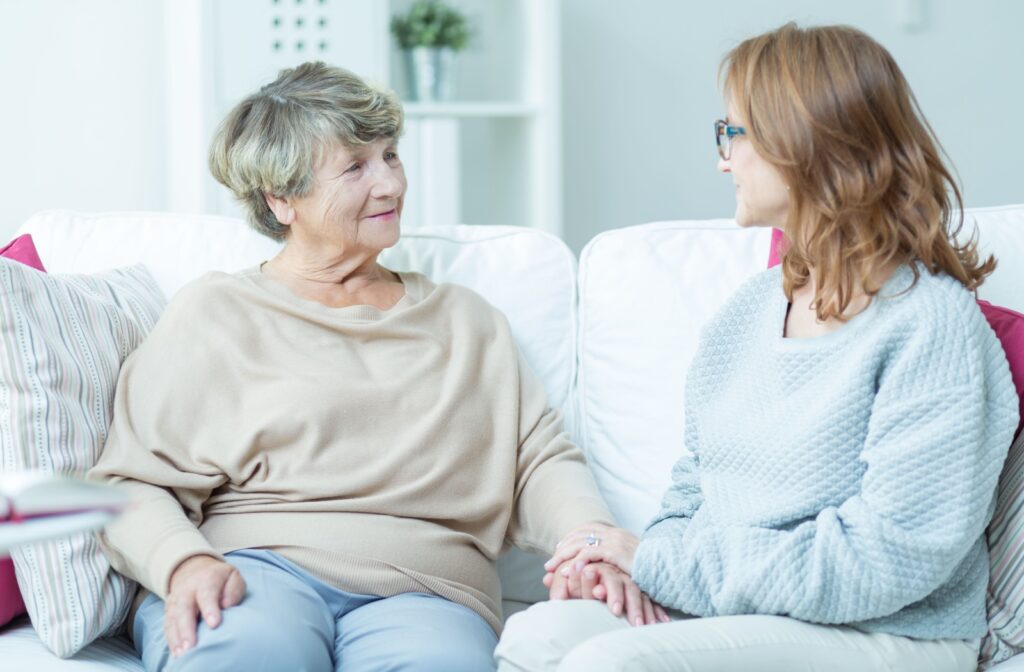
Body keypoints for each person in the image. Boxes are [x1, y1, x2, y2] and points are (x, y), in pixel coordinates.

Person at [88, 62, 651, 672]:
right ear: (281, 199)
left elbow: (536, 460)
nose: (389, 184)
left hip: (427, 590)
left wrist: (588, 537)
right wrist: (182, 562)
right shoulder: (218, 312)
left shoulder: (466, 321)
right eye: (355, 167)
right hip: (252, 570)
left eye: (390, 155)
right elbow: (129, 482)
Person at [494, 23, 1019, 672]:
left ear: (803, 142)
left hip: (890, 632)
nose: (722, 160)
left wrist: (659, 562)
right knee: (535, 637)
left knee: (608, 665)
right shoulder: (745, 313)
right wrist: (637, 571)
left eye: (732, 133)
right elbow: (694, 486)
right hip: (738, 608)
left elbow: (890, 559)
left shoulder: (931, 325)